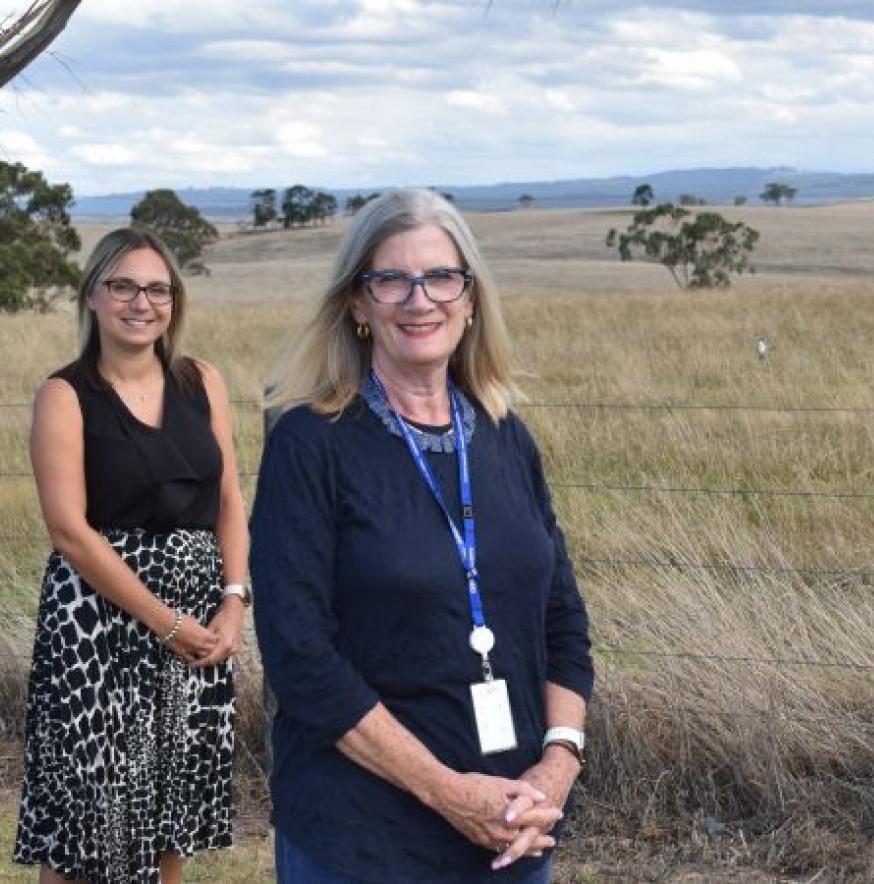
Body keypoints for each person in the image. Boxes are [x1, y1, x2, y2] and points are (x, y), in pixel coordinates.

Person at [251, 188, 593, 882]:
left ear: (470, 299)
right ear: (357, 303)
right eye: (391, 279)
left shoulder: (504, 438)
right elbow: (299, 657)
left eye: (441, 276)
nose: (419, 299)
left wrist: (557, 766)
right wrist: (446, 791)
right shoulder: (310, 443)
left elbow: (563, 619)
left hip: (511, 829)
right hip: (363, 838)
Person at [14, 228, 248, 883]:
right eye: (123, 286)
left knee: (169, 813)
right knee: (87, 825)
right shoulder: (64, 395)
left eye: (157, 289)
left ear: (174, 300)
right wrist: (163, 621)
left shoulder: (203, 382)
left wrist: (233, 602)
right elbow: (70, 533)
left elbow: (229, 498)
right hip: (100, 627)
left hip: (198, 626)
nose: (140, 302)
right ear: (92, 295)